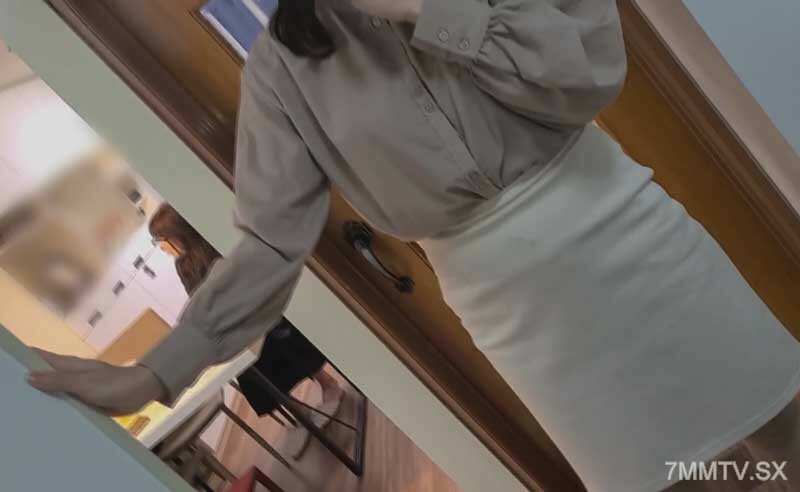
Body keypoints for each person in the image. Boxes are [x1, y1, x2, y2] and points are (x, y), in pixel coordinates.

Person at [27, 1, 800, 490]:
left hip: (638, 239)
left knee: (783, 423)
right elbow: (269, 242)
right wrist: (158, 371)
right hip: (525, 326)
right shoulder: (281, 70)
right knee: (670, 481)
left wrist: (429, 8)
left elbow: (592, 68)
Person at [147, 203, 344, 437]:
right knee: (249, 374)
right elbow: (198, 299)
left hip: (257, 312)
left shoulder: (212, 244)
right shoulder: (183, 265)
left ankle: (328, 383)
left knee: (280, 342)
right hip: (233, 325)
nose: (160, 247)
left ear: (177, 235)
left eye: (160, 240)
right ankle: (298, 411)